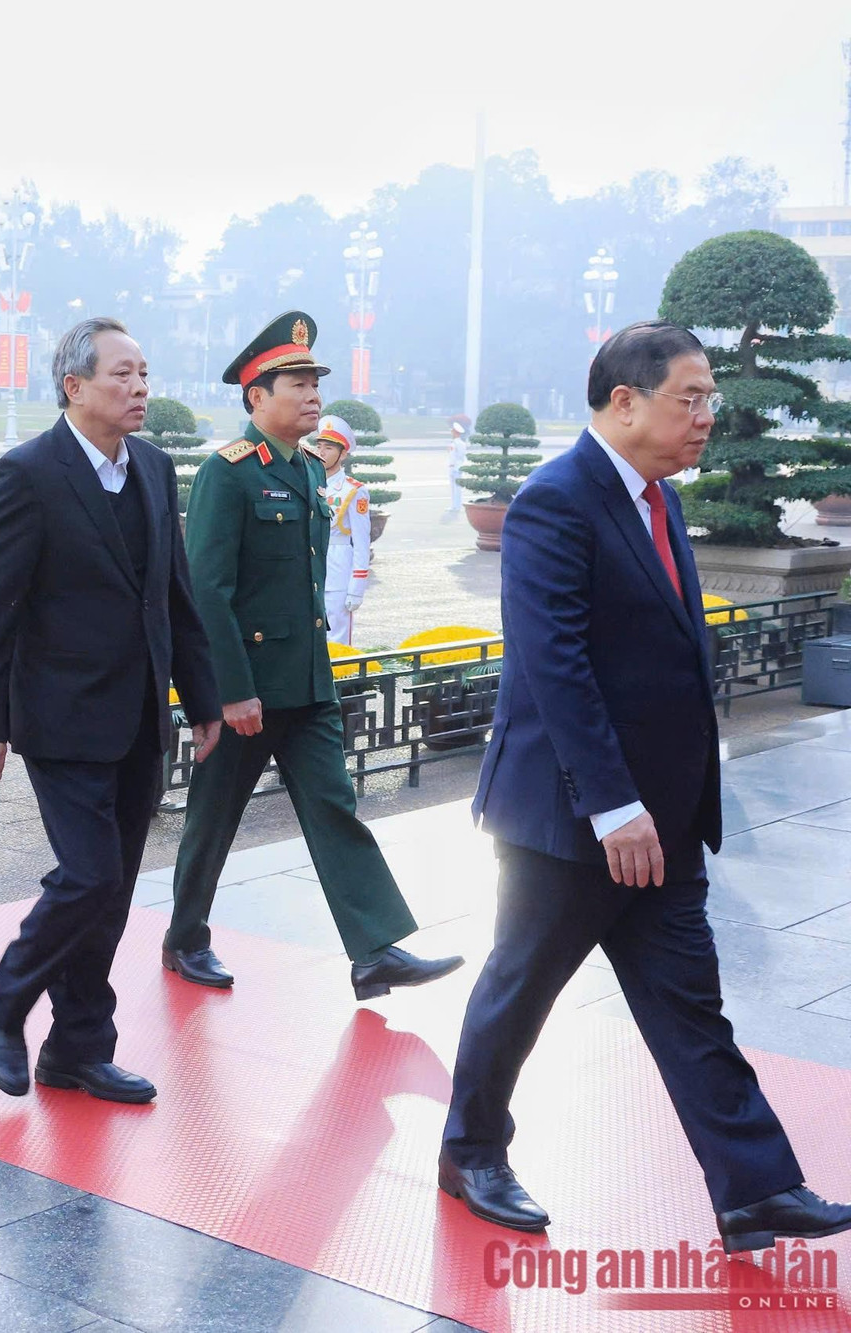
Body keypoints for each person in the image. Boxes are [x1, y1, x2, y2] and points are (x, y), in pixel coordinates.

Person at [441, 321, 851, 1251]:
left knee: (688, 1001)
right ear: (624, 401)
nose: (707, 417)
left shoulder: (656, 498)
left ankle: (755, 1187)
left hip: (659, 816)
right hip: (572, 816)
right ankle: (470, 1151)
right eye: (690, 398)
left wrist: (665, 801)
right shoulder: (557, 500)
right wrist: (612, 805)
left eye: (713, 400)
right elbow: (556, 666)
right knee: (521, 988)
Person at [0, 317, 221, 1104]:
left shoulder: (152, 465)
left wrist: (202, 697)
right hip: (62, 714)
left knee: (111, 888)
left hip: (141, 714)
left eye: (144, 373)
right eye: (122, 375)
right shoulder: (26, 473)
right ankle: (3, 998)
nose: (140, 389)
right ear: (73, 386)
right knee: (89, 874)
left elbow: (173, 593)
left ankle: (77, 1047)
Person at [165, 311, 460, 999]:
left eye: (313, 381)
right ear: (255, 397)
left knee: (335, 806)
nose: (312, 393)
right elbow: (210, 591)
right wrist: (230, 691)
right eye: (295, 382)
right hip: (248, 691)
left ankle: (375, 950)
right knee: (213, 819)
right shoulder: (227, 474)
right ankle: (184, 937)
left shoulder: (303, 469)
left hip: (307, 685)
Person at [311, 415, 370, 646]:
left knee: (336, 637)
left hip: (338, 569)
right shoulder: (309, 482)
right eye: (319, 446)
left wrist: (357, 586)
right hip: (312, 568)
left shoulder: (353, 491)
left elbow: (362, 543)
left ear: (343, 453)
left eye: (329, 448)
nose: (321, 452)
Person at [447, 420, 470, 513]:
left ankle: (456, 506)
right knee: (455, 488)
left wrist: (452, 466)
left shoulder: (456, 443)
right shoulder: (461, 443)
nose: (451, 432)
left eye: (452, 431)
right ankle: (455, 505)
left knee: (456, 488)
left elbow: (455, 457)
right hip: (457, 466)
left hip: (455, 467)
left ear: (456, 432)